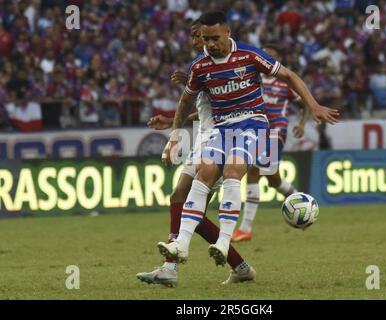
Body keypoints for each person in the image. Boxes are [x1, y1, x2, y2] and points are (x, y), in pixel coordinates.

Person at [159, 11, 338, 268]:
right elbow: (186, 100)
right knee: (204, 172)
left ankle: (224, 241)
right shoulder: (200, 66)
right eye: (205, 38)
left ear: (228, 33)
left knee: (237, 170)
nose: (210, 44)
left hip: (252, 124)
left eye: (215, 38)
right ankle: (181, 245)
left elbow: (288, 76)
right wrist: (174, 136)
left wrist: (314, 105)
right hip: (220, 130)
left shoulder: (249, 55)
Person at [136, 19, 255, 287]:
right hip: (206, 138)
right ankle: (238, 266)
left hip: (222, 141)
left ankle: (173, 267)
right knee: (182, 199)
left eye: (198, 36)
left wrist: (175, 133)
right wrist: (172, 122)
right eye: (193, 36)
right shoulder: (200, 66)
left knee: (187, 202)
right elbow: (203, 109)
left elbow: (227, 106)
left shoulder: (218, 64)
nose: (194, 41)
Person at [232, 44, 310, 242]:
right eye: (264, 54)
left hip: (275, 132)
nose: (265, 58)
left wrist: (301, 124)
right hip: (255, 131)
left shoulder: (284, 83)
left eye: (270, 56)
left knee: (254, 172)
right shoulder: (251, 79)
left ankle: (245, 228)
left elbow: (305, 104)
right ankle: (302, 203)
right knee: (272, 179)